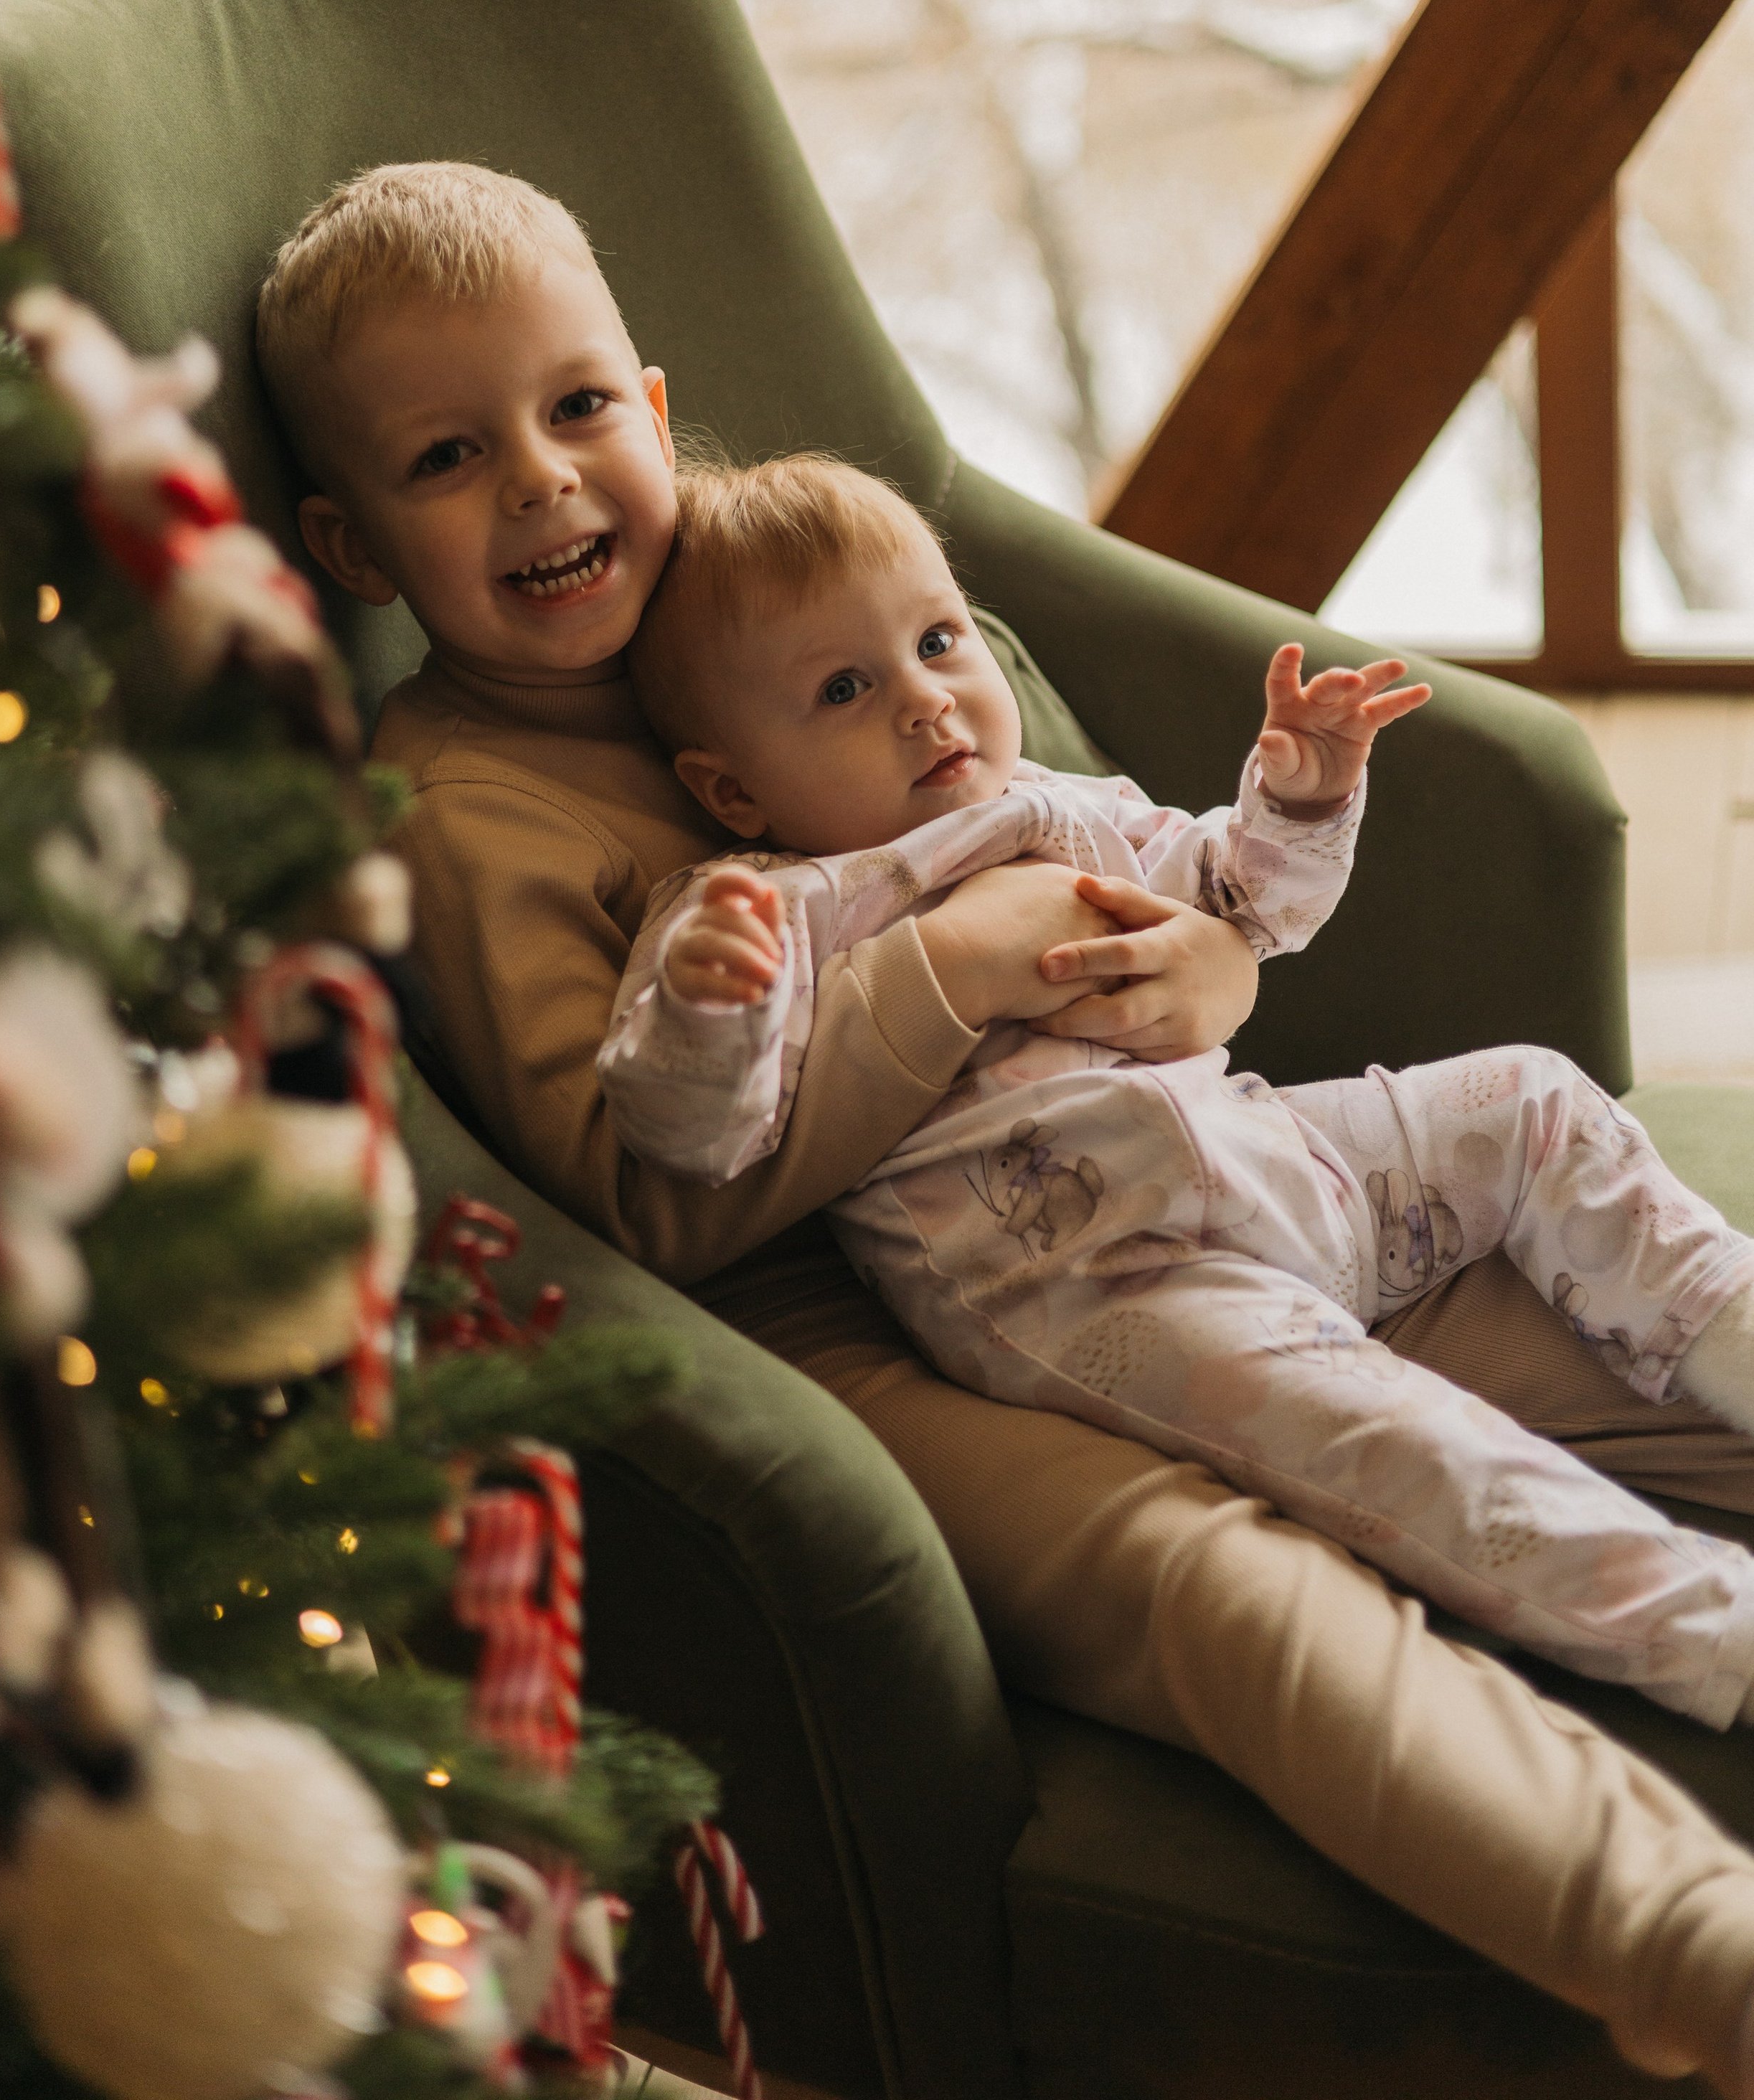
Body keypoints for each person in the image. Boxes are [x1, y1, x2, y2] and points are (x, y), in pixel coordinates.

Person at [260, 156, 1754, 2094]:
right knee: (1229, 1587)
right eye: (450, 460)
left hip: (1159, 1157)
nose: (544, 485)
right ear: (357, 546)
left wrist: (1200, 964)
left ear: (649, 393)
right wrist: (957, 969)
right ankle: (1692, 1954)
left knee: (1577, 1346)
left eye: (575, 412)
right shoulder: (465, 799)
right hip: (861, 1336)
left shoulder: (778, 571)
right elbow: (650, 1205)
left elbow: (1090, 837)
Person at [600, 453, 1754, 1727]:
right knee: (1408, 1450)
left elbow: (1248, 901)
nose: (927, 704)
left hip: (1284, 1162)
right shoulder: (768, 908)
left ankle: (1728, 1335)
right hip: (1098, 1284)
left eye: (937, 640)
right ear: (731, 787)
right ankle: (1712, 1636)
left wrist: (1300, 796)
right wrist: (716, 1008)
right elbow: (701, 1135)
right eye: (842, 688)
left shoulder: (1059, 810)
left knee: (1535, 1099)